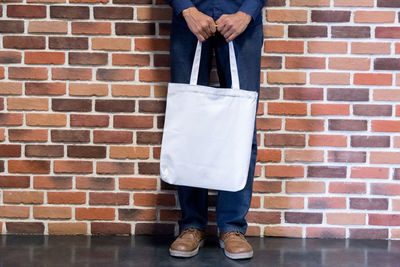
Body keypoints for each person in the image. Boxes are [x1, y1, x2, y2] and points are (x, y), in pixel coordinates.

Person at [164, 0, 267, 260]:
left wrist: (247, 13)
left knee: (240, 126)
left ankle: (232, 227)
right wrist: (186, 9)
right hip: (189, 21)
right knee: (188, 126)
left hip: (242, 21)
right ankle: (191, 225)